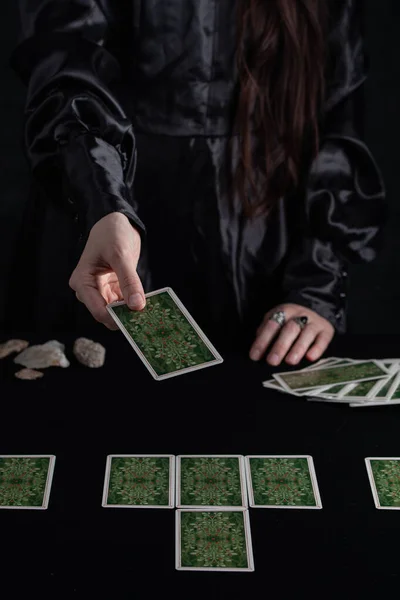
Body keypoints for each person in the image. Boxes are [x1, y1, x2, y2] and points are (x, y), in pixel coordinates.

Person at [8, 0, 385, 366]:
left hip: (264, 242)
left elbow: (336, 117)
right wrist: (102, 201)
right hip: (107, 215)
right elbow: (66, 64)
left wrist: (316, 286)